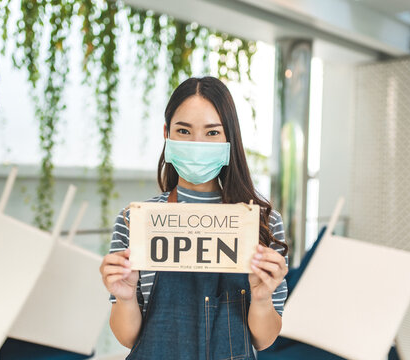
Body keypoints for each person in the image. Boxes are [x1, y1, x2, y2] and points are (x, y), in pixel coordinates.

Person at [99, 76, 289, 360]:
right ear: (167, 133)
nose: (197, 143)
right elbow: (127, 337)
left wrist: (261, 299)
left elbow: (264, 339)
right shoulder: (136, 221)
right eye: (184, 131)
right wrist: (125, 297)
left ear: (230, 139)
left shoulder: (262, 224)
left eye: (212, 133)